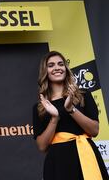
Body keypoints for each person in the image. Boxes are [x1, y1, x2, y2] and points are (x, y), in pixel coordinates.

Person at [32, 51, 108, 180]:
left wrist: (70, 109)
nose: (57, 68)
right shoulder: (40, 106)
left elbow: (94, 131)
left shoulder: (83, 95)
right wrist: (54, 118)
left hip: (86, 155)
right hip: (58, 163)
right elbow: (42, 146)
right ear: (45, 71)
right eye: (51, 65)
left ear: (65, 69)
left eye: (60, 64)